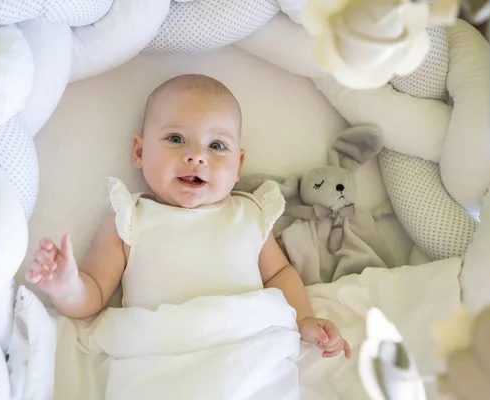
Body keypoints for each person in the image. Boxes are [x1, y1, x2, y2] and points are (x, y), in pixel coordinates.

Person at [26, 74, 351, 359]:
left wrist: (305, 319)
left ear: (239, 166)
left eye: (217, 145)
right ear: (139, 152)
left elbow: (279, 275)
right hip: (161, 356)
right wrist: (67, 286)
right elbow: (94, 292)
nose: (196, 156)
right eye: (176, 139)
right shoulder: (130, 221)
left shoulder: (250, 214)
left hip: (249, 348)